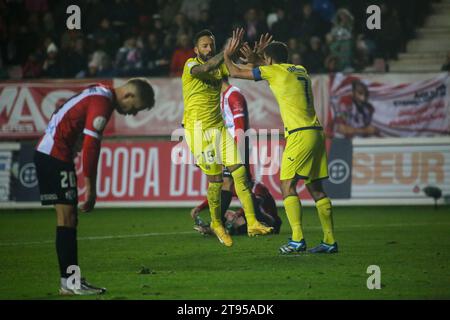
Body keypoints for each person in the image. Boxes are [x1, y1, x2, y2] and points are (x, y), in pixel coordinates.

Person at [34, 79, 155, 295]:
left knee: (68, 219)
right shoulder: (103, 101)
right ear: (128, 95)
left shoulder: (99, 91)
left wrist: (71, 138)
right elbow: (91, 147)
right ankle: (70, 282)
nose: (131, 114)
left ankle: (70, 281)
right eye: (134, 108)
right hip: (54, 155)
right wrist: (90, 188)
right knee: (67, 218)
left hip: (51, 153)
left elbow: (64, 112)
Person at [224, 29, 338, 254]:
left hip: (299, 134)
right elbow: (268, 70)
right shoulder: (300, 70)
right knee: (316, 188)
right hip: (316, 131)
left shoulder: (274, 72)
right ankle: (329, 241)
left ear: (269, 60)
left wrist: (227, 55)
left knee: (287, 185)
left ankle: (297, 239)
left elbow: (234, 71)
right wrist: (259, 59)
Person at [181, 29, 273, 247]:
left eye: (211, 45)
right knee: (215, 180)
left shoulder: (220, 65)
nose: (208, 48)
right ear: (196, 49)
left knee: (239, 171)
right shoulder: (190, 65)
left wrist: (257, 58)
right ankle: (216, 223)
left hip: (218, 127)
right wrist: (225, 52)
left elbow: (245, 71)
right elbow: (204, 68)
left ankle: (252, 222)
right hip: (198, 131)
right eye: (204, 45)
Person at [191, 180, 282, 236]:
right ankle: (224, 229)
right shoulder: (238, 186)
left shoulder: (257, 187)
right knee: (228, 214)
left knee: (235, 218)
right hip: (254, 217)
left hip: (270, 220)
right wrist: (200, 208)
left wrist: (238, 213)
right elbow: (219, 198)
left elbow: (255, 206)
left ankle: (226, 230)